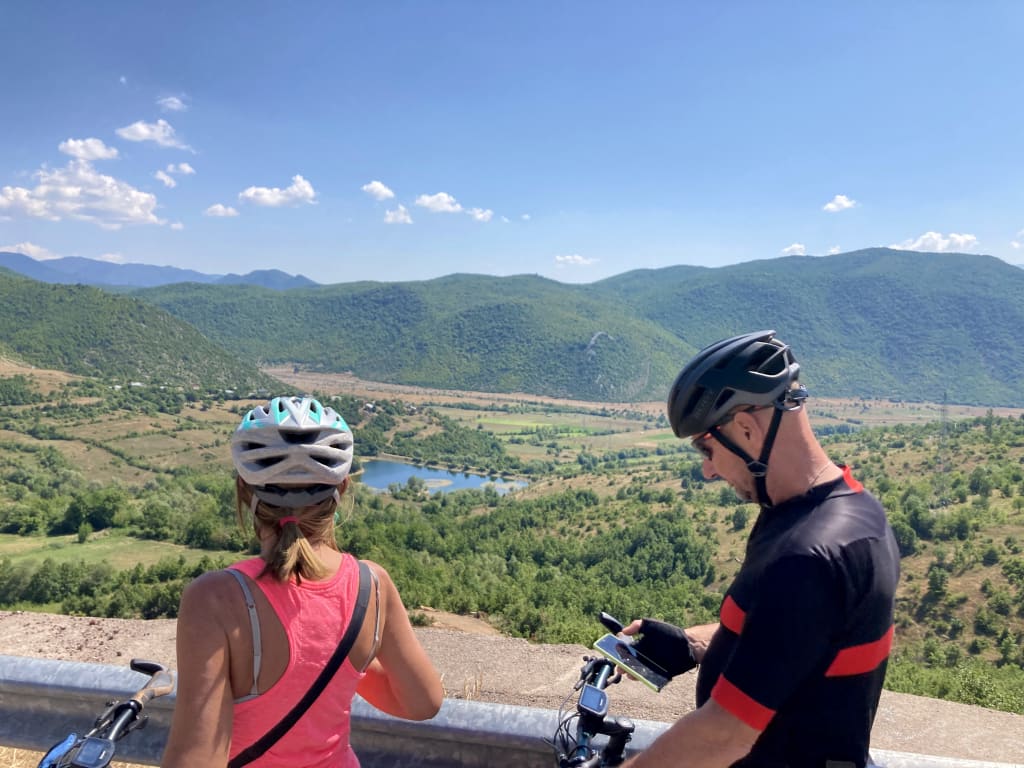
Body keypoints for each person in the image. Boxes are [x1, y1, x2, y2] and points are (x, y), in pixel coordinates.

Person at [621, 330, 900, 768]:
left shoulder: (809, 555)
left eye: (706, 448)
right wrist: (694, 644)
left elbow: (723, 736)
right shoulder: (841, 510)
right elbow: (794, 636)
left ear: (747, 428)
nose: (708, 470)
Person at [162, 396, 443, 768]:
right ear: (341, 491)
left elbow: (197, 758)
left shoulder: (215, 599)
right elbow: (423, 702)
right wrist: (337, 659)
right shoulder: (371, 585)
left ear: (244, 493)